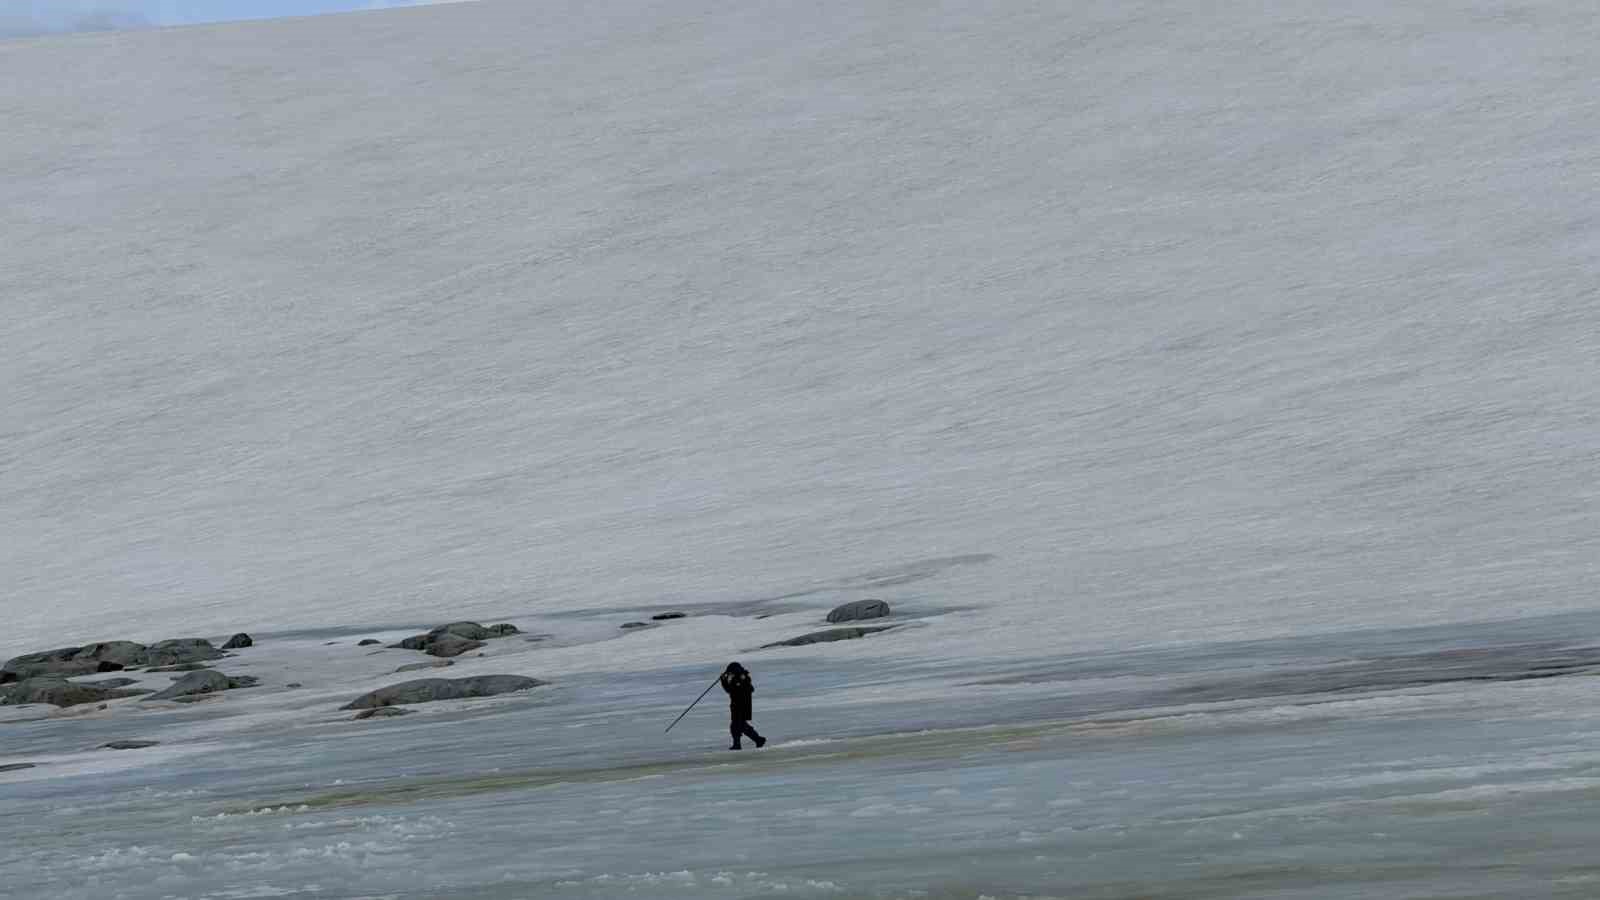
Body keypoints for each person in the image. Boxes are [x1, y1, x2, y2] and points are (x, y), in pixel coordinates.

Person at [719, 662, 766, 750]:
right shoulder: (737, 677)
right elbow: (730, 690)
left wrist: (725, 681)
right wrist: (723, 680)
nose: (729, 673)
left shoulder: (742, 677)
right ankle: (757, 740)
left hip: (741, 706)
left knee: (737, 725)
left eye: (730, 672)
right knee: (739, 725)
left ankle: (740, 744)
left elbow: (743, 689)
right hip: (737, 705)